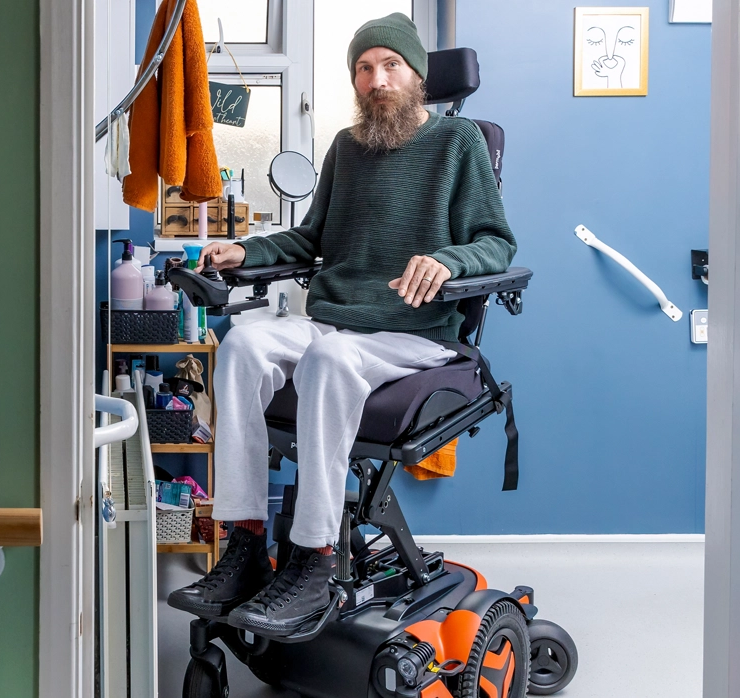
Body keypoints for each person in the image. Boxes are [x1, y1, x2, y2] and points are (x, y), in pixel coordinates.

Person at [167, 12, 516, 637]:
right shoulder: (347, 148)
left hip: (414, 333)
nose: (377, 79)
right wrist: (246, 250)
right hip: (335, 321)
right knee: (243, 344)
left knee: (328, 361)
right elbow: (310, 238)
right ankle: (244, 544)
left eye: (391, 65)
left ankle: (313, 560)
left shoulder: (458, 142)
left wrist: (447, 261)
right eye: (364, 68)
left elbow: (496, 242)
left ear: (416, 74)